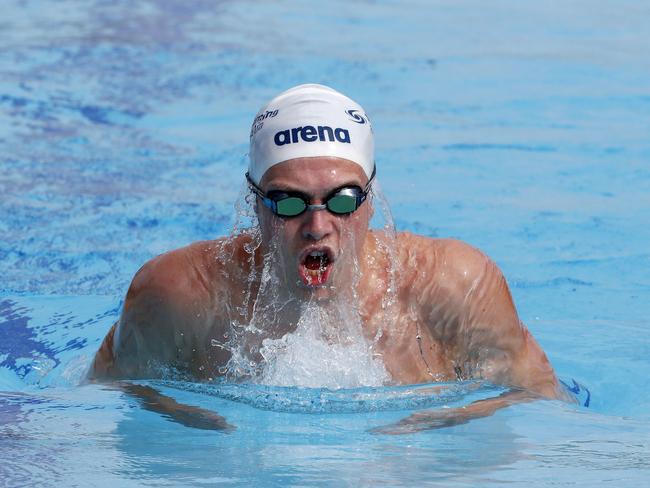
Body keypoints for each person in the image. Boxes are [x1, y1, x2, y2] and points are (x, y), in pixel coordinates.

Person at [90, 84, 573, 430]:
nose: (318, 226)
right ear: (254, 201)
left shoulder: (455, 286)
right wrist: (186, 417)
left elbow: (541, 405)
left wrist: (444, 419)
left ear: (370, 197)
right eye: (288, 201)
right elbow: (104, 403)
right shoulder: (178, 293)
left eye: (342, 200)